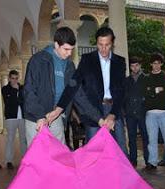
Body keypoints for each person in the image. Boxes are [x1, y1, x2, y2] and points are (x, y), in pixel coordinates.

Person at [46, 27, 127, 155]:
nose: (104, 48)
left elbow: (121, 91)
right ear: (96, 43)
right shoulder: (87, 59)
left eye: (107, 45)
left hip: (114, 109)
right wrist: (59, 108)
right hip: (93, 111)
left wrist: (113, 114)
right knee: (92, 152)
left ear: (112, 44)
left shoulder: (120, 62)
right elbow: (73, 85)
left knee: (120, 150)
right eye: (100, 44)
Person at [23, 26, 76, 145]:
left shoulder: (70, 65)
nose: (69, 53)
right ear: (56, 44)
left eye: (72, 49)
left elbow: (72, 92)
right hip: (35, 118)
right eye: (66, 49)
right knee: (37, 158)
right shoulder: (38, 60)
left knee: (59, 156)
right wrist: (39, 116)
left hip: (56, 116)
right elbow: (29, 91)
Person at [142, 53, 165, 171]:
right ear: (151, 64)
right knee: (152, 140)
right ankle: (152, 162)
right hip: (150, 113)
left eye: (158, 63)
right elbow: (145, 94)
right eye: (154, 63)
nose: (156, 66)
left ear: (161, 64)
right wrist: (157, 90)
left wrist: (152, 91)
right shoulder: (146, 78)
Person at [124, 57, 149, 167]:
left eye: (137, 65)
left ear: (140, 66)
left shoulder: (146, 78)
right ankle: (133, 160)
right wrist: (125, 111)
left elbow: (149, 96)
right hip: (130, 114)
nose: (135, 68)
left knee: (145, 137)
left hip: (143, 112)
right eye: (132, 66)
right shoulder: (126, 80)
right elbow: (123, 97)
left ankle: (148, 160)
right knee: (132, 137)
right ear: (130, 67)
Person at [2, 70, 26, 169]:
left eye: (16, 78)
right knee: (10, 139)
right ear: (9, 78)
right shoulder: (5, 89)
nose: (15, 80)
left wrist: (17, 94)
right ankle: (9, 161)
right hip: (11, 117)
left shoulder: (22, 88)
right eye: (12, 78)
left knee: (23, 140)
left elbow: (24, 101)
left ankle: (25, 159)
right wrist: (16, 92)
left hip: (22, 117)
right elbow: (8, 102)